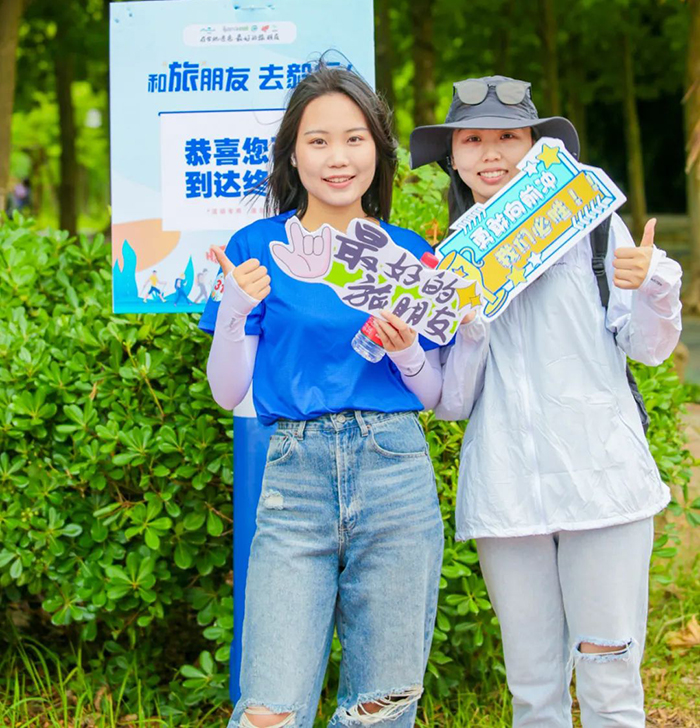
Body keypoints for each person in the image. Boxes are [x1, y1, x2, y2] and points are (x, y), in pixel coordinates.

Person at [410, 75, 682, 728]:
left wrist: (654, 285)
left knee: (611, 682)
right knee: (533, 692)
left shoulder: (593, 226)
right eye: (472, 140)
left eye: (509, 136)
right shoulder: (446, 263)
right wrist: (471, 329)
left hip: (604, 488)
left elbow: (647, 348)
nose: (491, 153)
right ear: (452, 158)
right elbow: (452, 402)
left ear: (537, 147)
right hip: (506, 498)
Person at [200, 66, 445, 728]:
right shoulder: (256, 248)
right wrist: (234, 308)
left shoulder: (410, 255)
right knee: (268, 711)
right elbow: (228, 390)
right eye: (318, 141)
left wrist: (406, 351)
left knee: (380, 706)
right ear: (292, 154)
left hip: (395, 474)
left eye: (355, 139)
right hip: (294, 480)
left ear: (378, 151)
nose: (338, 158)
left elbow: (431, 393)